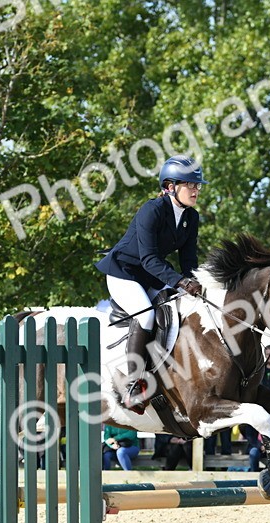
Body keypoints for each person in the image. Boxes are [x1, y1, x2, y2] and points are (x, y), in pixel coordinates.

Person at [96, 154, 206, 410]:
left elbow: (189, 260)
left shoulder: (192, 218)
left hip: (152, 275)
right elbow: (148, 258)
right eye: (189, 184)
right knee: (146, 317)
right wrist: (180, 282)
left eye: (197, 185)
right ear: (170, 187)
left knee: (178, 311)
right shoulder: (152, 210)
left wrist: (197, 283)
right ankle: (134, 385)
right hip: (124, 273)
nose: (195, 190)